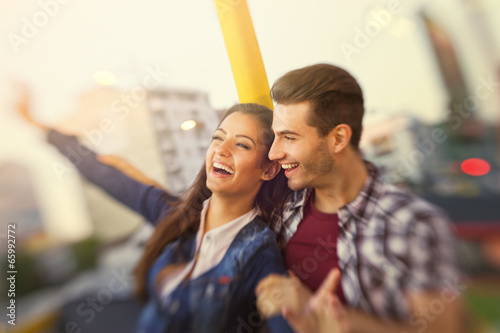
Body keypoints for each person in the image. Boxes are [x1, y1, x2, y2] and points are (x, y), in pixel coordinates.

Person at [17, 96, 295, 332]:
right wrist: (36, 123)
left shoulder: (259, 253)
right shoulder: (175, 215)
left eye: (242, 144)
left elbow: (282, 319)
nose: (221, 150)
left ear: (268, 169)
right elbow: (102, 174)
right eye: (217, 138)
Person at [255, 63, 462, 333]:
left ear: (338, 138)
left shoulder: (413, 223)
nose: (274, 152)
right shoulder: (283, 209)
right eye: (276, 136)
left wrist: (335, 319)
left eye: (289, 137)